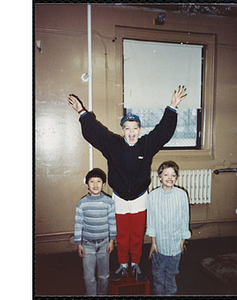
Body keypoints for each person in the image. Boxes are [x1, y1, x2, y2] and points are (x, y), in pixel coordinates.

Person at [68, 85, 187, 282]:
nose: (131, 132)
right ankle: (123, 265)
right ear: (122, 131)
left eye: (135, 128)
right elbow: (94, 132)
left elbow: (163, 132)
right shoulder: (112, 145)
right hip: (120, 198)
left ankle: (137, 265)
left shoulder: (147, 145)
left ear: (139, 130)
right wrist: (82, 111)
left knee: (137, 234)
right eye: (127, 128)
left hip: (140, 198)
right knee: (122, 235)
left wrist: (173, 106)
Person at [146, 161, 191, 295]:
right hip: (159, 244)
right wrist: (153, 243)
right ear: (159, 177)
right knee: (158, 273)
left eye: (173, 175)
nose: (169, 177)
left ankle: (171, 293)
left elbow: (185, 218)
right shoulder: (153, 196)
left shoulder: (182, 195)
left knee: (172, 273)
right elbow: (151, 220)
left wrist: (183, 240)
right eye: (166, 174)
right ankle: (159, 293)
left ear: (176, 177)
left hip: (175, 243)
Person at [74, 168, 117, 296]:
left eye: (98, 181)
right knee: (88, 276)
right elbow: (78, 224)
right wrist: (78, 243)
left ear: (103, 184)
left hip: (104, 244)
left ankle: (103, 294)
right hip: (87, 244)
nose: (95, 184)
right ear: (87, 185)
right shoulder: (82, 204)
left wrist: (112, 241)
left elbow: (112, 222)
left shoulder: (109, 202)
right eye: (92, 181)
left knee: (104, 274)